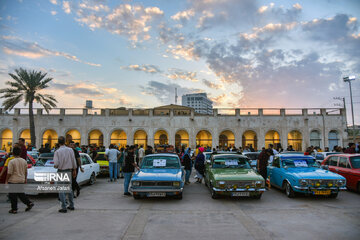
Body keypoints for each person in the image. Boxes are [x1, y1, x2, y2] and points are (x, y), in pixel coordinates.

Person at [6, 146, 34, 214]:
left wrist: (6, 180)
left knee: (13, 195)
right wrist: (25, 179)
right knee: (21, 194)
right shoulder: (24, 161)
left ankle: (14, 209)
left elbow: (9, 172)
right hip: (21, 179)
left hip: (13, 180)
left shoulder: (11, 161)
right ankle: (29, 203)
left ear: (13, 153)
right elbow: (25, 172)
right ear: (20, 153)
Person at [54, 136, 77, 213]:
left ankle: (63, 207)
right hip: (69, 171)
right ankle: (71, 205)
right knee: (69, 189)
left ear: (58, 142)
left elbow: (56, 164)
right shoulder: (70, 150)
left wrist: (55, 165)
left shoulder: (57, 151)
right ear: (65, 142)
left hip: (61, 171)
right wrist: (74, 170)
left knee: (61, 190)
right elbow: (73, 160)